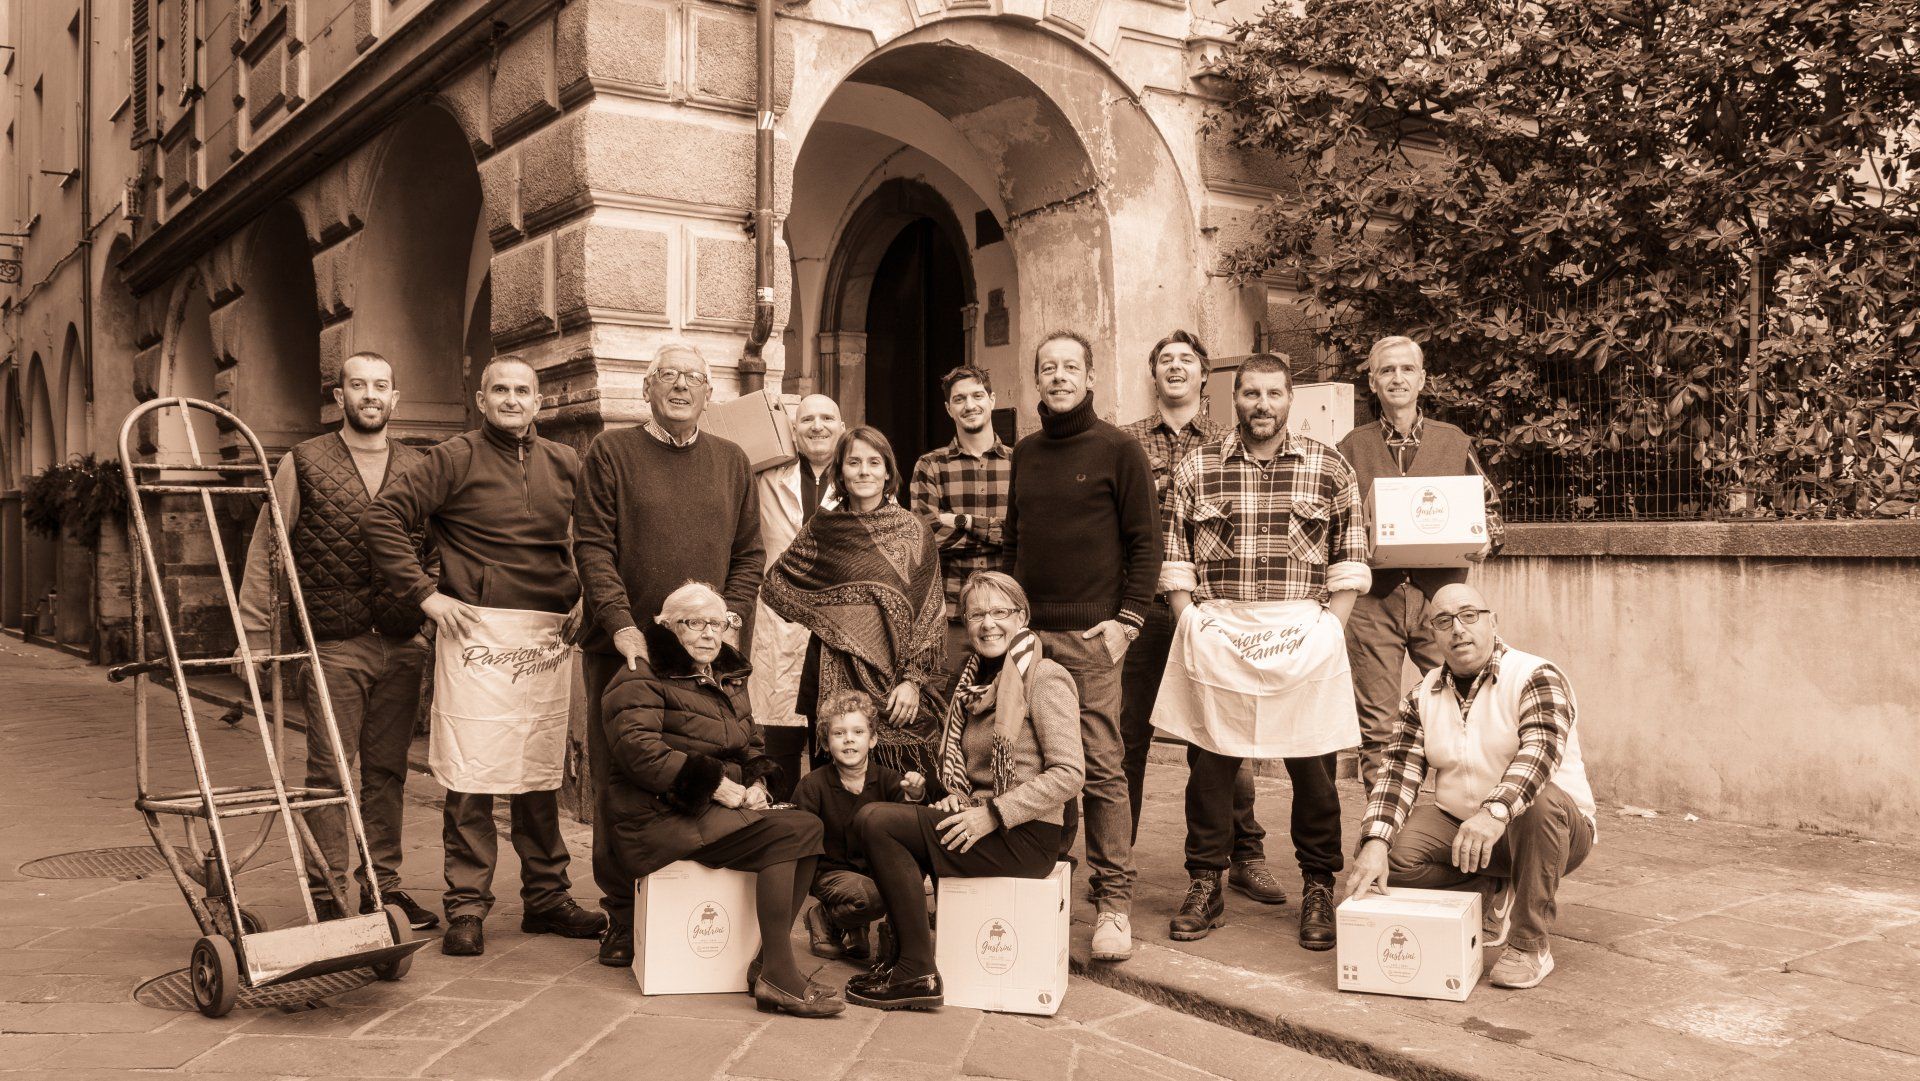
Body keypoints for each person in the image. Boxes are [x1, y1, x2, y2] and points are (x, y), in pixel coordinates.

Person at [363, 355, 605, 956]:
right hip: (476, 634)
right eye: (501, 389)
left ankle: (546, 897)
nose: (513, 399)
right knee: (472, 771)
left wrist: (588, 599)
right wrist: (426, 595)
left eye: (523, 390)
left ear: (539, 402)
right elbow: (382, 517)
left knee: (539, 769)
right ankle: (467, 906)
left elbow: (596, 535)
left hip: (546, 635)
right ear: (481, 398)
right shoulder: (454, 457)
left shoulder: (566, 463)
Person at [1155, 353, 1370, 951]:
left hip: (1304, 631)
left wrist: (1329, 630)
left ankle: (1319, 886)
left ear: (1290, 398)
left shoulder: (1329, 467)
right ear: (1234, 399)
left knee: (1315, 770)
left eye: (1273, 393)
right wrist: (1192, 626)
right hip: (1220, 630)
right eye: (1250, 393)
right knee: (1211, 767)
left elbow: (1351, 561)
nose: (1262, 405)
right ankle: (1205, 882)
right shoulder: (1198, 465)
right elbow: (1174, 561)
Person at [573, 341, 765, 958]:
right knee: (622, 779)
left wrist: (728, 622)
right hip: (629, 653)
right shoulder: (611, 452)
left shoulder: (733, 461)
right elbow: (593, 546)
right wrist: (621, 623)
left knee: (703, 772)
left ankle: (686, 902)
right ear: (648, 389)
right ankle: (623, 914)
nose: (681, 386)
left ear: (710, 395)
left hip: (703, 656)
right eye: (668, 376)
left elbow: (749, 555)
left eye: (693, 378)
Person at [234, 351, 438, 931]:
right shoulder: (304, 461)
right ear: (339, 396)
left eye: (380, 386)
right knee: (329, 774)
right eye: (357, 385)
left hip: (402, 644)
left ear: (395, 399)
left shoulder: (421, 466)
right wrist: (253, 636)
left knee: (387, 772)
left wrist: (427, 624)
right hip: (334, 643)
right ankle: (329, 898)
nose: (370, 394)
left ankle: (384, 889)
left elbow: (437, 549)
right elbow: (266, 551)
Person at [596, 582, 841, 1017]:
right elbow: (637, 750)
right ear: (667, 627)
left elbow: (751, 744)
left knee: (805, 827)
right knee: (793, 832)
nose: (710, 633)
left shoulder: (725, 674)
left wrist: (757, 784)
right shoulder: (641, 673)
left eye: (718, 623)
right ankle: (777, 974)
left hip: (707, 810)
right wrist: (713, 785)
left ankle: (770, 964)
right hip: (657, 817)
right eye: (695, 623)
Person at [843, 572, 1084, 1011]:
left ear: (1022, 617)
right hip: (988, 820)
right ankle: (901, 956)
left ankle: (915, 968)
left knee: (875, 821)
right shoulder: (971, 684)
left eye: (999, 612)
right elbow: (972, 772)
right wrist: (961, 797)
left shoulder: (1045, 676)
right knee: (884, 819)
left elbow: (1069, 774)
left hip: (1025, 834)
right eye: (976, 615)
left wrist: (991, 813)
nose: (987, 623)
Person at [1344, 585, 1596, 990]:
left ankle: (1530, 945)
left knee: (1540, 803)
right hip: (1464, 828)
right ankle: (1491, 886)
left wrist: (1494, 812)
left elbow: (1540, 751)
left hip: (1551, 829)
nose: (1457, 629)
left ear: (1492, 621)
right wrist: (1374, 840)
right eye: (1443, 622)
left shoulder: (1535, 675)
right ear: (1433, 634)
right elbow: (1397, 772)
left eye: (1469, 616)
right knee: (1388, 857)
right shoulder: (1423, 693)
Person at [1004, 329, 1160, 963]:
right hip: (1031, 636)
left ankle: (1114, 905)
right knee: (1036, 760)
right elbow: (1014, 543)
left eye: (1071, 367)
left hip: (1094, 637)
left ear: (1090, 378)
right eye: (1048, 368)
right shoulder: (1025, 453)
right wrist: (1014, 623)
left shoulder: (1120, 449)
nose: (1059, 377)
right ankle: (1050, 876)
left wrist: (1127, 621)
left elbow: (1146, 544)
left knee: (1100, 768)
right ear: (1037, 379)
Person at [1119, 330, 1284, 908]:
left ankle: (1243, 856)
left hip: (1213, 608)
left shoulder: (1227, 439)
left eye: (1186, 359)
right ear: (1153, 373)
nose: (1175, 367)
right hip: (1143, 605)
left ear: (1204, 375)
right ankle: (1117, 860)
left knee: (1221, 736)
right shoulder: (1126, 440)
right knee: (1127, 733)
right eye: (1164, 359)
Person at [1337, 336, 1506, 789]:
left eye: (1406, 370)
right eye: (1387, 370)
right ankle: (1384, 839)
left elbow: (1489, 508)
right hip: (1375, 602)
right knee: (1377, 727)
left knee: (1467, 707)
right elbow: (1335, 519)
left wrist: (1488, 538)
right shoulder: (1351, 448)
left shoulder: (1453, 442)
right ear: (1372, 382)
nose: (1397, 378)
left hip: (1444, 603)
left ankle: (1464, 818)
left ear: (1422, 380)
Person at [762, 425, 947, 780]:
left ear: (888, 472)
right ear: (841, 473)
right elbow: (776, 584)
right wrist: (829, 614)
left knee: (904, 781)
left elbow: (930, 613)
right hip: (831, 667)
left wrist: (912, 680)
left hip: (897, 677)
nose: (864, 471)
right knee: (836, 779)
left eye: (874, 462)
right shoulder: (824, 528)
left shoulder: (914, 530)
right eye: (854, 462)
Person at [748, 394, 844, 801]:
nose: (817, 426)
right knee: (777, 739)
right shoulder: (766, 479)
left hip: (837, 626)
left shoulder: (860, 477)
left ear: (842, 427)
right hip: (777, 623)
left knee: (835, 737)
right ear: (793, 430)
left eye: (827, 418)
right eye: (807, 419)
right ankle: (782, 826)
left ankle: (831, 837)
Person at [790, 690, 925, 961]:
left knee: (900, 883)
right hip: (830, 873)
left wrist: (915, 797)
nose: (848, 739)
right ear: (826, 744)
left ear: (872, 739)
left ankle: (861, 927)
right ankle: (825, 915)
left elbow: (911, 831)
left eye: (858, 732)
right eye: (838, 733)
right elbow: (798, 837)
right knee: (879, 895)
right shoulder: (813, 785)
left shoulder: (890, 780)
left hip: (875, 872)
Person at [910, 366, 1013, 669]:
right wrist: (997, 535)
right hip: (952, 615)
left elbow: (1027, 533)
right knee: (948, 706)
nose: (970, 405)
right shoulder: (930, 466)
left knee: (1008, 708)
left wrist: (961, 521)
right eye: (960, 399)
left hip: (1007, 613)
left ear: (992, 399)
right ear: (948, 408)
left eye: (977, 395)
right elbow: (925, 537)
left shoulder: (1020, 462)